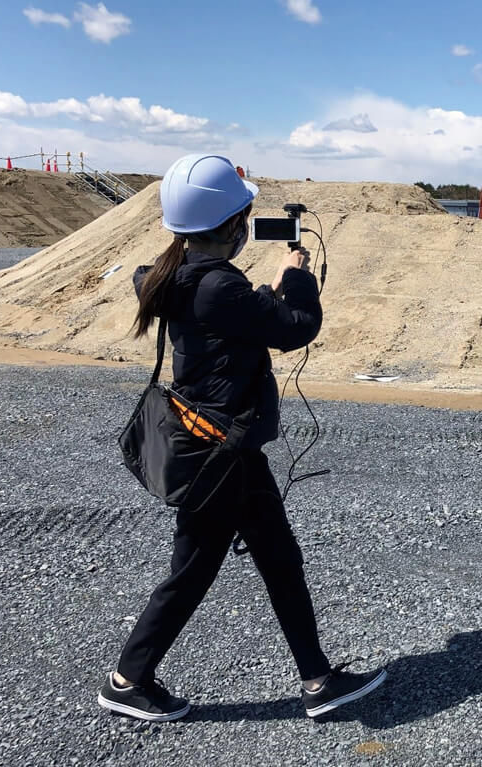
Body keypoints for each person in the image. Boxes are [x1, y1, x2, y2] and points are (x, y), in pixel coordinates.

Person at [98, 154, 385, 722]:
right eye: (246, 217)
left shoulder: (173, 275)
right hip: (221, 453)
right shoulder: (217, 288)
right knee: (197, 568)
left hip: (221, 446)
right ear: (231, 225)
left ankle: (317, 680)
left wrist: (266, 291)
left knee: (278, 559)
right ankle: (128, 679)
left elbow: (233, 323)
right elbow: (296, 329)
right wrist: (297, 279)